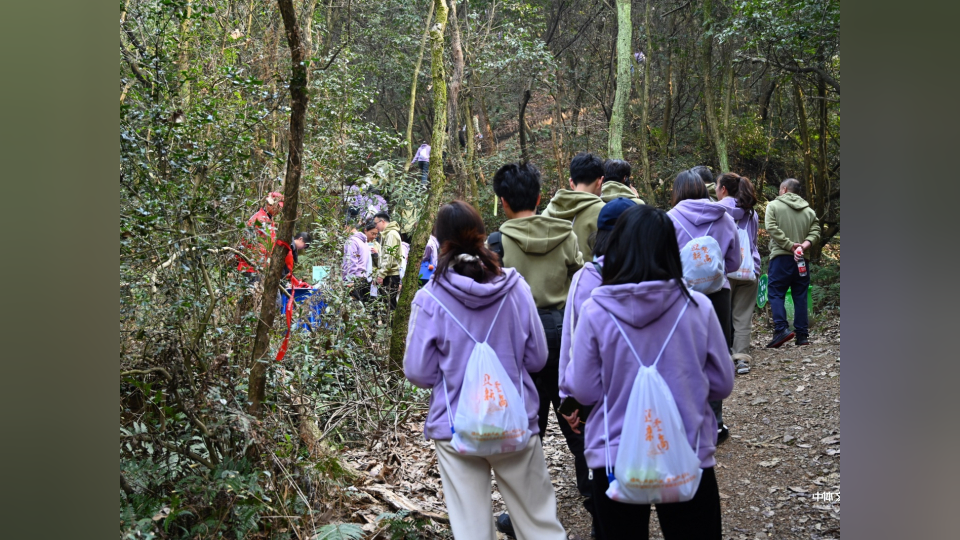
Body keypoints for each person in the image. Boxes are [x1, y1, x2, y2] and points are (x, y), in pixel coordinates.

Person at [567, 204, 734, 539]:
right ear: (670, 249)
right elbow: (722, 382)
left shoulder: (595, 310)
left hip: (614, 456)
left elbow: (583, 390)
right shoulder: (696, 306)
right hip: (688, 451)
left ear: (616, 247)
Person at [403, 201, 568, 540]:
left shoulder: (429, 299)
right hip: (514, 420)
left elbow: (418, 371)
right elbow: (537, 357)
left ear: (439, 239)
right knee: (539, 523)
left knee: (472, 530)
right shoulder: (515, 287)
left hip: (455, 427)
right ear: (480, 234)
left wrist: (452, 372)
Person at [486, 161, 585, 538]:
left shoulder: (497, 244)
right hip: (564, 336)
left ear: (503, 202)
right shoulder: (567, 234)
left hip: (519, 341)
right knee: (576, 415)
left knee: (529, 427)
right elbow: (580, 282)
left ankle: (524, 514)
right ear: (541, 197)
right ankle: (595, 497)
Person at [556, 196, 636, 540]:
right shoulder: (658, 278)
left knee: (607, 484)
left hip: (600, 402)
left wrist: (568, 397)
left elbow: (571, 341)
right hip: (645, 399)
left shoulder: (587, 277)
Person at [667, 170, 740, 445]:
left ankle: (687, 422)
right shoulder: (724, 218)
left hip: (681, 296)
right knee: (716, 355)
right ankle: (715, 423)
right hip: (718, 296)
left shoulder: (669, 219)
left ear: (677, 192)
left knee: (683, 355)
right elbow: (733, 263)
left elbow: (664, 262)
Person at [765, 178, 821, 348]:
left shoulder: (773, 206)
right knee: (800, 294)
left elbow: (771, 227)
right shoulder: (809, 211)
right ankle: (802, 335)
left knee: (775, 293)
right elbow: (817, 231)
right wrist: (804, 245)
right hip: (802, 258)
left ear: (783, 189)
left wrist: (790, 245)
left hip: (781, 256)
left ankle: (781, 329)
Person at [716, 173, 760, 374]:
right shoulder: (751, 213)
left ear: (723, 189)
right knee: (742, 317)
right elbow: (753, 242)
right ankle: (742, 359)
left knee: (721, 316)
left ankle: (722, 359)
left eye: (717, 186)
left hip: (724, 270)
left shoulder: (716, 211)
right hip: (749, 270)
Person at [542, 152, 606, 260]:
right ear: (600, 181)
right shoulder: (604, 212)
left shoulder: (548, 211)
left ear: (571, 182)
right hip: (589, 276)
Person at [237, 191, 284, 279]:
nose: (279, 210)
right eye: (277, 207)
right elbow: (246, 242)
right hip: (252, 267)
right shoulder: (258, 219)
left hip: (262, 266)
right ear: (270, 205)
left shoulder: (269, 220)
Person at [374, 211, 403, 309]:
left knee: (390, 306)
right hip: (388, 274)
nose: (375, 226)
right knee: (387, 305)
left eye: (376, 223)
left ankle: (391, 324)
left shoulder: (391, 234)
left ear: (382, 221)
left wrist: (381, 275)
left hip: (391, 275)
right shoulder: (386, 234)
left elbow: (389, 256)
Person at [343, 220, 377, 302]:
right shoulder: (363, 242)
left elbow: (351, 261)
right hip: (363, 278)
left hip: (354, 280)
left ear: (347, 227)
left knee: (353, 309)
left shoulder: (353, 241)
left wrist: (349, 280)